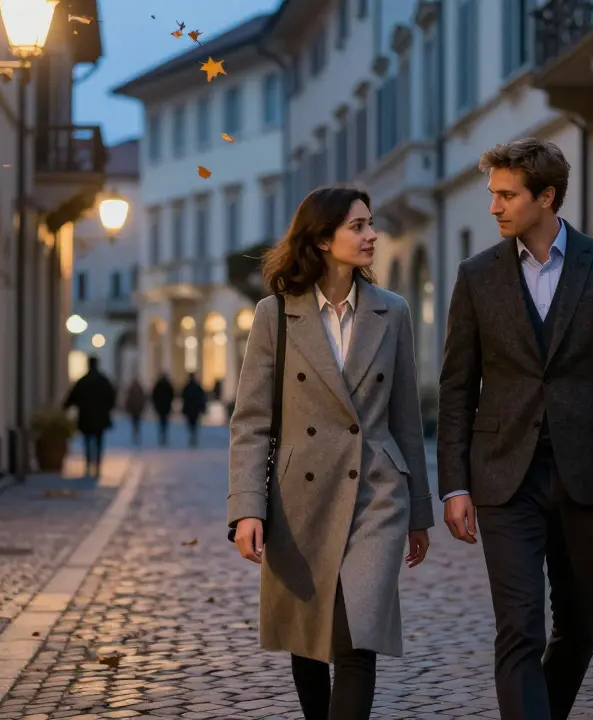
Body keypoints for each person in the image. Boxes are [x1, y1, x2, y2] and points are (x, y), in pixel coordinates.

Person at [436, 138, 593, 720]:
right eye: (493, 195)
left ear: (547, 196)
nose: (495, 207)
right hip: (505, 475)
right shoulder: (476, 275)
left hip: (586, 474)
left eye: (507, 195)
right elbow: (457, 387)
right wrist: (454, 484)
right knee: (519, 627)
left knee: (581, 621)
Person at [228, 186, 433, 720]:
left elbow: (406, 419)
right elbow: (251, 421)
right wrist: (247, 508)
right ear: (322, 240)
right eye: (358, 226)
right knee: (308, 637)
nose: (372, 236)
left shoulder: (394, 311)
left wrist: (419, 512)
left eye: (371, 224)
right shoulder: (276, 314)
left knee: (356, 636)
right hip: (301, 496)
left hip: (376, 493)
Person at [63, 355, 118, 478]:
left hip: (86, 417)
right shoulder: (104, 381)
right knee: (99, 441)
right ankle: (97, 465)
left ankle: (88, 464)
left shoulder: (83, 381)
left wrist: (64, 407)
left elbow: (72, 397)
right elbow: (112, 397)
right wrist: (108, 409)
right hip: (100, 417)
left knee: (87, 441)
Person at [180, 374, 208, 447]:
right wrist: (203, 408)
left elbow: (183, 397)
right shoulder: (196, 387)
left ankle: (192, 434)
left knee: (190, 423)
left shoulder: (187, 387)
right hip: (195, 409)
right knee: (194, 423)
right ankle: (193, 434)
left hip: (190, 409)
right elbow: (202, 398)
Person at [151, 373, 175, 446]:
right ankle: (163, 435)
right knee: (164, 421)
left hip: (161, 406)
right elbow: (171, 395)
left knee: (162, 421)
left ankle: (162, 435)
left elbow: (154, 395)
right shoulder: (167, 385)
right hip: (165, 407)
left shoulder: (159, 385)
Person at [123, 378, 147, 446]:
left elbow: (128, 398)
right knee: (137, 422)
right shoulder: (140, 389)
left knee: (134, 422)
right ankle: (137, 434)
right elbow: (142, 398)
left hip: (133, 408)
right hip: (138, 408)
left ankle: (135, 434)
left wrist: (127, 407)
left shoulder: (131, 389)